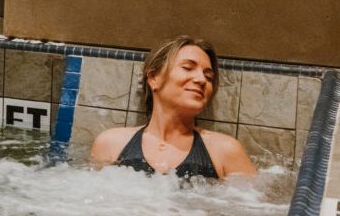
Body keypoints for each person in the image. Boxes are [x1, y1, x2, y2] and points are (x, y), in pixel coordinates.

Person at [90, 36, 255, 179]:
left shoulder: (226, 151)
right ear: (154, 77)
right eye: (188, 68)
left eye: (208, 75)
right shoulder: (111, 144)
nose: (201, 80)